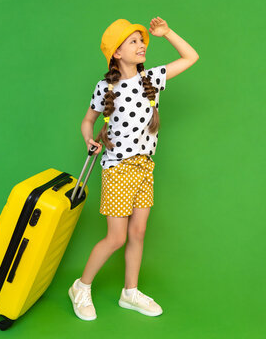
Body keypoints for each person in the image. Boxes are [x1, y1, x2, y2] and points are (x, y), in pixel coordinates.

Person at [68, 17, 199, 321]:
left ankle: (130, 292)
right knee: (116, 238)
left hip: (144, 166)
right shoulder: (105, 87)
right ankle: (81, 286)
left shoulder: (152, 79)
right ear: (117, 52)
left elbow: (191, 57)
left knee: (137, 233)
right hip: (117, 168)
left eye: (142, 41)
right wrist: (89, 139)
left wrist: (167, 33)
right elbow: (88, 121)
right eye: (134, 42)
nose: (141, 46)